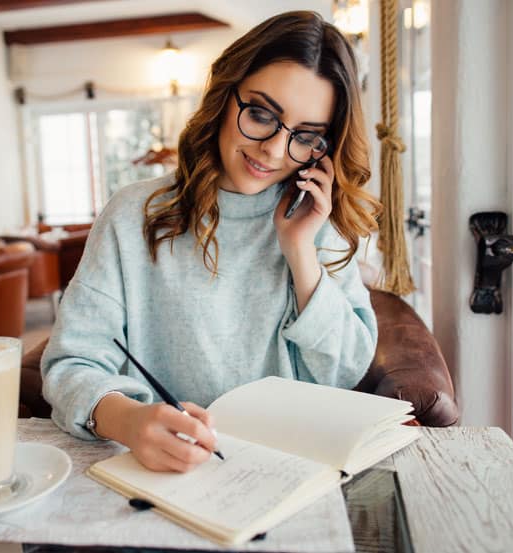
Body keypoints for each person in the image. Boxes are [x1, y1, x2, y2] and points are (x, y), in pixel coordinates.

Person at [41, 11, 381, 473]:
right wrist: (127, 420)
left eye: (306, 136)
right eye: (261, 114)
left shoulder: (317, 220)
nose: (275, 151)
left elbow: (344, 373)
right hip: (155, 474)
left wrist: (300, 252)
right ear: (224, 95)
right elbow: (71, 362)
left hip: (287, 469)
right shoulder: (133, 215)